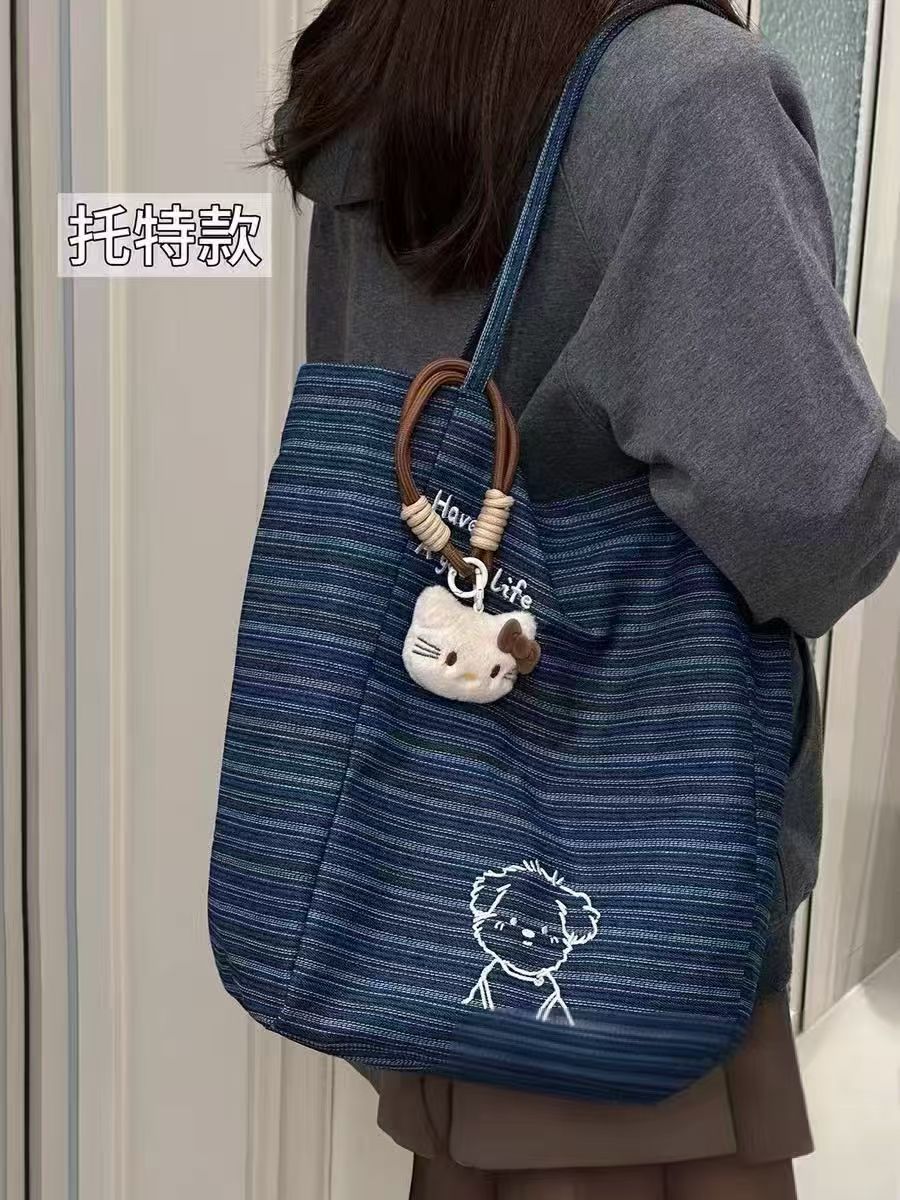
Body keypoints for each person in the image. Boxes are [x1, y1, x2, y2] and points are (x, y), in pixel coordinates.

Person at [264, 1, 900, 1196]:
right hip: (641, 889)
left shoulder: (384, 60)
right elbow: (814, 521)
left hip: (425, 867)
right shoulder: (684, 93)